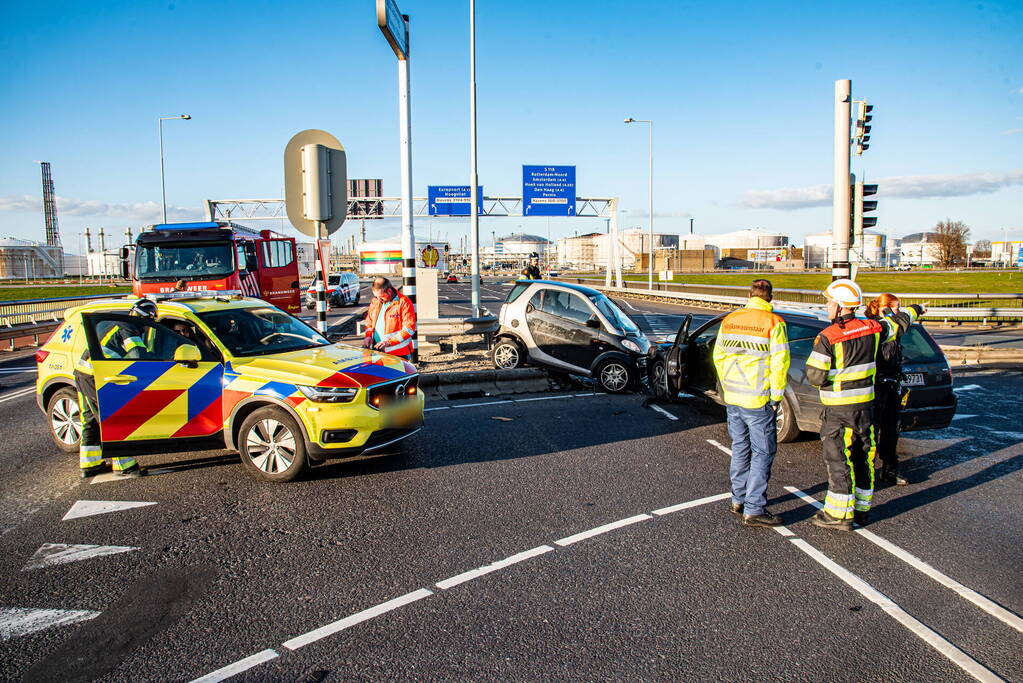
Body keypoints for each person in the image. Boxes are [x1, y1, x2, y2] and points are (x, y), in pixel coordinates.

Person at [805, 280, 924, 530]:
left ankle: (839, 516)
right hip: (865, 408)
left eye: (829, 301)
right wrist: (916, 309)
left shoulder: (828, 337)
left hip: (838, 410)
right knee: (863, 457)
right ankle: (861, 510)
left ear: (839, 306)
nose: (826, 305)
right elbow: (900, 322)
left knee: (839, 460)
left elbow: (815, 376)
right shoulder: (874, 328)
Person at [712, 279, 790, 527]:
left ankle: (738, 499)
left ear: (750, 295)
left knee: (740, 448)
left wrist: (727, 384)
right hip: (758, 399)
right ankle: (754, 508)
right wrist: (776, 396)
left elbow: (718, 356)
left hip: (733, 397)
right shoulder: (774, 323)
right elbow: (780, 363)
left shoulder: (730, 320)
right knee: (763, 452)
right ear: (770, 297)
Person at [77, 299, 158, 479]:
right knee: (110, 417)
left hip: (83, 373)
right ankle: (124, 465)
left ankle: (90, 464)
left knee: (90, 418)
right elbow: (137, 355)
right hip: (96, 376)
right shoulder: (130, 328)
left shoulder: (114, 322)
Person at [865, 292, 926, 486]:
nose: (898, 311)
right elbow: (900, 324)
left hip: (892, 385)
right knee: (871, 432)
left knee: (892, 430)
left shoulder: (892, 326)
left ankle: (890, 471)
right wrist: (913, 310)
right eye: (895, 307)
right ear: (884, 308)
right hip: (876, 386)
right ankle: (867, 473)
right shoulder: (878, 327)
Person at [362, 277, 416, 357]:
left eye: (381, 296)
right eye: (377, 297)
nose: (379, 299)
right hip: (377, 350)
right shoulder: (375, 301)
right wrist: (368, 336)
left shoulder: (404, 303)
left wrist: (389, 342)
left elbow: (409, 329)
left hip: (398, 352)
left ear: (389, 291)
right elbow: (369, 322)